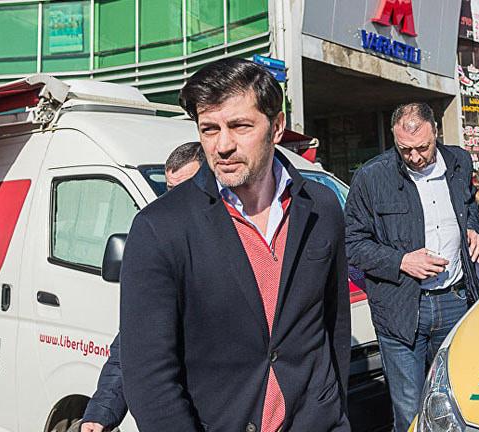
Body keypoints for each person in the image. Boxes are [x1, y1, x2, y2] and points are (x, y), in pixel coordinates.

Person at [119, 58, 350, 432]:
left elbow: (333, 326)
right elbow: (149, 376)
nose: (223, 145)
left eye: (240, 126)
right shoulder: (159, 228)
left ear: (276, 127)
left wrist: (336, 416)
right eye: (209, 129)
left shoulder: (321, 207)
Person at [344, 102, 479, 431]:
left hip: (455, 300)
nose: (415, 157)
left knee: (456, 403)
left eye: (423, 147)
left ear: (436, 132)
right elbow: (351, 243)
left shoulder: (460, 161)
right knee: (409, 411)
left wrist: (472, 228)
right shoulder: (372, 176)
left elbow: (468, 207)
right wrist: (402, 261)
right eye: (405, 149)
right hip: (401, 308)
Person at [80, 142, 204, 432]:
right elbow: (135, 344)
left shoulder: (242, 241)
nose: (174, 202)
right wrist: (101, 411)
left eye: (186, 190)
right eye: (169, 191)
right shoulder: (162, 242)